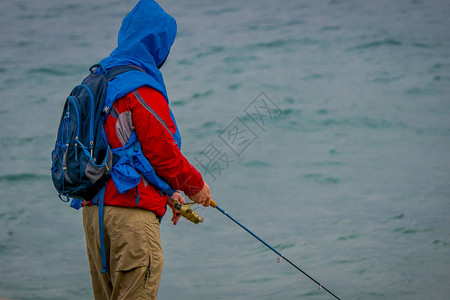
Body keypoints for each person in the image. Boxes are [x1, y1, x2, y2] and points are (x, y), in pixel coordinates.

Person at [81, 1, 212, 299]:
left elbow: (120, 152)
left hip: (93, 217)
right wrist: (195, 186)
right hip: (129, 220)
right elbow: (163, 153)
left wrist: (167, 193)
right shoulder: (140, 88)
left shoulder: (96, 81)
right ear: (158, 43)